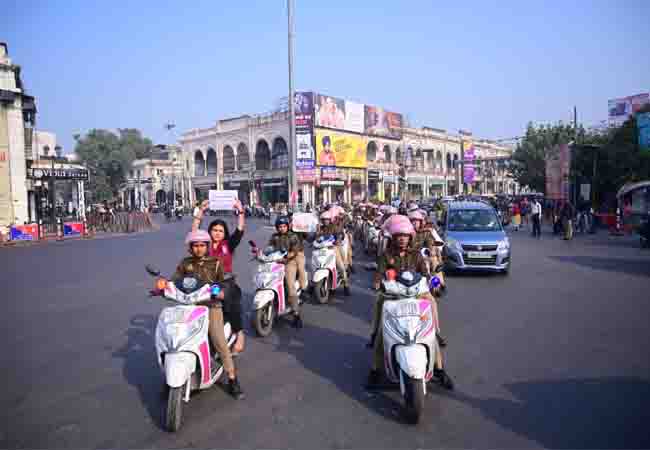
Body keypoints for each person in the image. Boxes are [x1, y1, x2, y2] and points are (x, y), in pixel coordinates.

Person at [367, 216, 453, 389]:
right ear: (394, 237)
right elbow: (379, 274)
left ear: (410, 237)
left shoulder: (416, 255)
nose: (402, 239)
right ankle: (375, 368)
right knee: (382, 330)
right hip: (394, 296)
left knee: (429, 328)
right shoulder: (386, 256)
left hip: (415, 294)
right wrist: (377, 282)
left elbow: (427, 275)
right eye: (399, 235)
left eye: (405, 236)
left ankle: (439, 368)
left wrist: (436, 284)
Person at [171, 230, 244, 399]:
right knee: (176, 335)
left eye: (202, 245)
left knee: (218, 339)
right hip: (189, 305)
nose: (199, 248)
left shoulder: (215, 262)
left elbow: (221, 282)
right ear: (190, 247)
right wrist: (164, 287)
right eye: (195, 245)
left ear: (207, 246)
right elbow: (175, 280)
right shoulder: (185, 263)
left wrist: (218, 291)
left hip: (211, 306)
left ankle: (232, 378)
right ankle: (171, 379)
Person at [192, 199, 247, 354]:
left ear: (224, 234)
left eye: (220, 231)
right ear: (209, 232)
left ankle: (239, 334)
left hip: (224, 282)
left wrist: (240, 211)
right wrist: (201, 211)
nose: (217, 233)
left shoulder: (228, 244)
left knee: (228, 298)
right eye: (214, 230)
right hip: (204, 282)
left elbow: (240, 230)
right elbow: (194, 233)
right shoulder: (204, 245)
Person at [267, 215, 305, 328]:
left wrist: (287, 257)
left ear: (287, 226)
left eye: (284, 226)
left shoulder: (293, 236)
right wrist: (263, 254)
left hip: (290, 262)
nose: (282, 228)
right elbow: (269, 248)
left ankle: (296, 314)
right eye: (280, 226)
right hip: (276, 261)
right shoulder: (274, 237)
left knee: (290, 285)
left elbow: (295, 250)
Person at [316, 209, 350, 295]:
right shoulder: (320, 228)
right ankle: (313, 283)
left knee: (341, 267)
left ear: (330, 220)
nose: (325, 221)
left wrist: (338, 240)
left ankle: (346, 285)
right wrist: (317, 232)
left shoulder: (334, 227)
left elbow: (339, 235)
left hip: (333, 248)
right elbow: (315, 238)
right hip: (322, 249)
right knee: (316, 264)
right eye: (323, 220)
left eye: (327, 219)